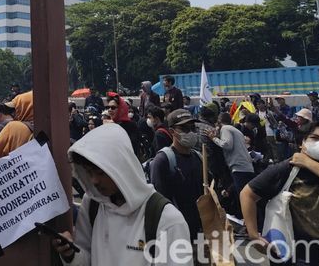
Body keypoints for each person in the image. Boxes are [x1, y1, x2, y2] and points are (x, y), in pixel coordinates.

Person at [52, 124, 192, 265]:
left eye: (100, 172)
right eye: (89, 172)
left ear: (120, 166)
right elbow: (86, 258)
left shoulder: (167, 219)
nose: (94, 180)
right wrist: (71, 255)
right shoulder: (92, 205)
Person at [241, 120, 319, 265]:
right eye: (315, 138)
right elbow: (247, 194)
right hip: (293, 254)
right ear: (302, 143)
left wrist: (308, 162)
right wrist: (253, 234)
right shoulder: (287, 168)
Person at [150, 109, 203, 240]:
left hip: (199, 230)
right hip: (175, 232)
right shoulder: (163, 160)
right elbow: (160, 201)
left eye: (192, 128)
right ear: (172, 132)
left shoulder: (198, 157)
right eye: (184, 128)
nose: (190, 132)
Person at [207, 112, 255, 202]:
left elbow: (227, 144)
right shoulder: (236, 131)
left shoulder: (225, 128)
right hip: (246, 167)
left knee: (242, 197)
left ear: (219, 122)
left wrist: (213, 138)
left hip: (239, 167)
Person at [0, 94, 33, 158]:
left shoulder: (14, 126)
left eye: (17, 108)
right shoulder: (46, 127)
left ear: (26, 108)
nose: (14, 113)